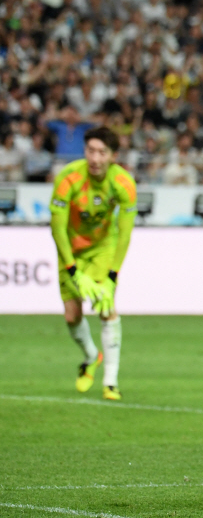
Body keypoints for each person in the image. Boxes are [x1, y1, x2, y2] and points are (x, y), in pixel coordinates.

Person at [49, 126, 137, 401]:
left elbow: (124, 233)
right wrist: (73, 269)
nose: (95, 158)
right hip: (71, 250)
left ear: (113, 156)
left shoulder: (123, 183)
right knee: (72, 316)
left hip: (102, 248)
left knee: (106, 307)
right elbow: (57, 229)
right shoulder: (67, 178)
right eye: (91, 151)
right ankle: (91, 356)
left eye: (102, 152)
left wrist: (112, 276)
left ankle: (111, 382)